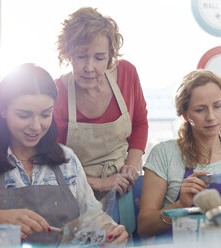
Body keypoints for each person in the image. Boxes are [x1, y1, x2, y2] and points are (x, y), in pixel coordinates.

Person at [0, 63, 128, 247]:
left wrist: (108, 230)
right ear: (3, 110)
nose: (36, 126)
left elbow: (91, 216)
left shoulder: (67, 160)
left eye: (45, 114)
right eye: (24, 115)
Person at [53, 7, 148, 234]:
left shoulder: (127, 74)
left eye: (99, 58)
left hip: (124, 189)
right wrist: (100, 183)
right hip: (75, 195)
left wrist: (133, 165)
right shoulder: (58, 93)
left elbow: (139, 123)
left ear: (111, 55)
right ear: (68, 54)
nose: (89, 67)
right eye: (81, 56)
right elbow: (52, 161)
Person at [137, 69, 221, 243]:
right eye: (200, 110)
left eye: (217, 106)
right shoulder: (164, 154)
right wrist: (180, 206)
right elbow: (144, 227)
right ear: (185, 115)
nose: (211, 117)